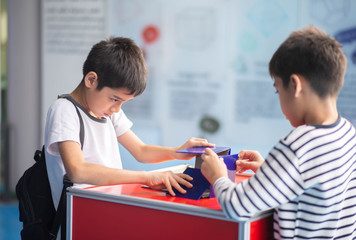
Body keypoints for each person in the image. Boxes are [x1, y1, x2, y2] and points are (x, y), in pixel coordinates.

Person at [201, 25, 356, 239]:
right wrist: (270, 170)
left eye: (277, 90)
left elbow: (237, 206)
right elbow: (316, 185)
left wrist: (217, 176)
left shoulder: (298, 144)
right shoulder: (348, 133)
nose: (279, 99)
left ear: (295, 85)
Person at [45, 37, 215, 211]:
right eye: (114, 99)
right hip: (78, 217)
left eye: (122, 102)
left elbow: (141, 151)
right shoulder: (64, 110)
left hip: (108, 209)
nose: (117, 109)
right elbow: (77, 171)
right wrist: (146, 177)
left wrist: (177, 152)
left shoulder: (108, 112)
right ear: (91, 80)